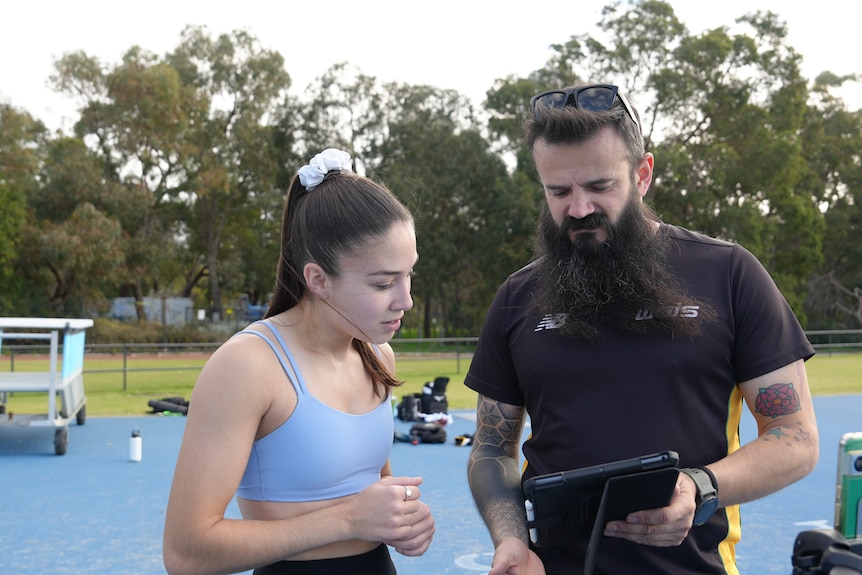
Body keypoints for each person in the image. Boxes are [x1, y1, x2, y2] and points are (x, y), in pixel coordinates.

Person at [465, 84, 819, 575]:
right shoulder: (517, 296)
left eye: (600, 186)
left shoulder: (730, 273)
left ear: (643, 174)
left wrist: (699, 485)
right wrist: (510, 538)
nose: (579, 208)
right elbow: (490, 450)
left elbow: (795, 437)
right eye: (559, 191)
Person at [163, 148, 435, 575]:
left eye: (409, 274)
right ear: (318, 280)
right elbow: (186, 553)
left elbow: (373, 493)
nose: (406, 300)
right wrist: (347, 519)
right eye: (384, 283)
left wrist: (402, 520)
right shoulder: (248, 366)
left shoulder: (378, 355)